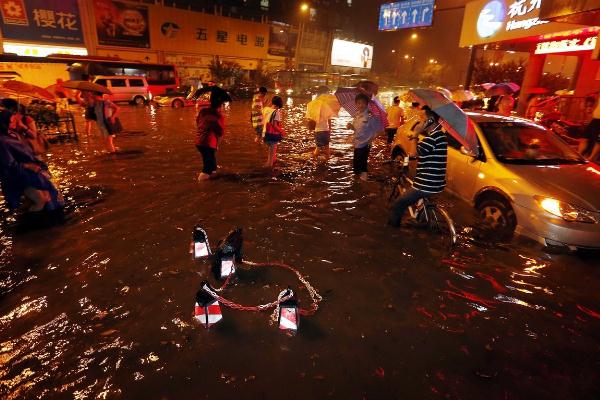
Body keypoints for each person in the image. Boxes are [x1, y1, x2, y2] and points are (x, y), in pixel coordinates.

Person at [388, 107, 448, 227]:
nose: (419, 123)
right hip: (437, 183)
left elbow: (414, 153)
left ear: (430, 121)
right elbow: (424, 152)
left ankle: (391, 233)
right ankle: (422, 218)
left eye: (421, 119)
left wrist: (416, 135)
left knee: (399, 204)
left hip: (426, 184)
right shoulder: (440, 136)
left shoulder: (431, 139)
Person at [0, 110, 63, 212]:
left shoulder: (14, 133)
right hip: (20, 176)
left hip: (32, 173)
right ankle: (30, 223)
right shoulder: (2, 140)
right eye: (11, 121)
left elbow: (27, 148)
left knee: (47, 196)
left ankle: (43, 221)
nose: (14, 123)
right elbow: (8, 164)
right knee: (40, 200)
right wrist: (27, 166)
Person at [346, 93, 382, 181]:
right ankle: (357, 182)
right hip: (357, 143)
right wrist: (351, 127)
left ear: (366, 104)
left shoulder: (370, 116)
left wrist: (371, 140)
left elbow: (380, 130)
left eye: (363, 103)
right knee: (356, 164)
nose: (360, 105)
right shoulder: (357, 115)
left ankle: (364, 181)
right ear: (356, 104)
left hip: (365, 144)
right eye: (358, 103)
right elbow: (357, 129)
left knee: (362, 164)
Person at [195, 96, 226, 181]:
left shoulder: (202, 112)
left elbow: (197, 122)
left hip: (198, 141)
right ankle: (201, 185)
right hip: (209, 143)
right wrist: (217, 146)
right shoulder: (219, 116)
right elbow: (220, 132)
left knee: (210, 162)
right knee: (207, 168)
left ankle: (213, 177)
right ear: (220, 106)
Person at [306, 86, 335, 160]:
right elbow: (329, 120)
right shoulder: (327, 105)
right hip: (325, 129)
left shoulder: (313, 105)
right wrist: (330, 130)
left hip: (317, 130)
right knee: (327, 148)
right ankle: (326, 161)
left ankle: (314, 160)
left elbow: (310, 118)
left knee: (318, 148)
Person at [263, 96, 286, 168]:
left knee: (272, 149)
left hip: (265, 133)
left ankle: (274, 161)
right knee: (271, 152)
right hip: (272, 134)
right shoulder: (276, 112)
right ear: (279, 105)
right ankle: (269, 166)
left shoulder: (265, 109)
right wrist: (282, 131)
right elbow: (274, 126)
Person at [579, 96, 600, 161]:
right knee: (584, 138)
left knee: (598, 141)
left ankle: (591, 159)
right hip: (595, 119)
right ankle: (578, 156)